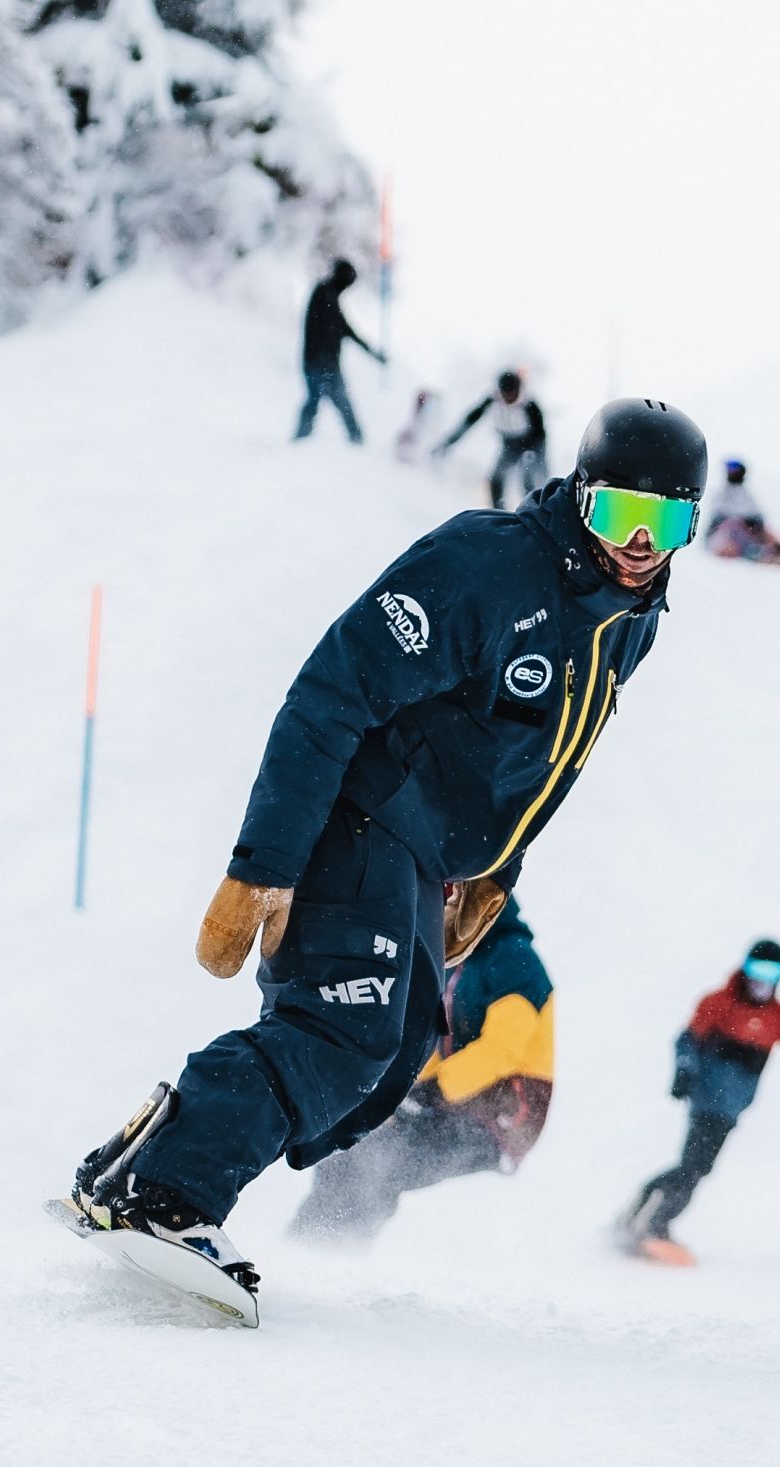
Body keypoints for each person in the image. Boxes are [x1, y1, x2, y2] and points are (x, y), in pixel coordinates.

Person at [67, 398, 711, 1300]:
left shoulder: (629, 620)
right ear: (580, 494)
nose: (640, 543)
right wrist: (265, 865)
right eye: (619, 514)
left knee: (395, 1050)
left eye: (665, 520)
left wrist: (494, 869)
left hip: (425, 858)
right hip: (356, 814)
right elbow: (333, 689)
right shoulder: (489, 565)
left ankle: (141, 1168)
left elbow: (548, 761)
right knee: (343, 1026)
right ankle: (162, 1191)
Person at [287, 895, 555, 1242]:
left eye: (456, 899)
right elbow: (437, 1044)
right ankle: (308, 1243)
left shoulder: (513, 958)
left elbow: (502, 1048)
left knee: (381, 1159)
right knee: (351, 1149)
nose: (445, 907)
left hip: (501, 1116)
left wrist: (435, 1091)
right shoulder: (461, 961)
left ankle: (330, 1248)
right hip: (455, 1106)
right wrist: (402, 1091)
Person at [619, 939, 780, 1264]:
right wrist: (684, 1072)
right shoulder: (720, 1002)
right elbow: (686, 1040)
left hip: (732, 1108)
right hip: (707, 1100)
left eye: (771, 972)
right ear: (745, 968)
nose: (762, 979)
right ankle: (651, 1223)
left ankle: (645, 1218)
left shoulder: (779, 1017)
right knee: (694, 1167)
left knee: (697, 1168)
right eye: (756, 969)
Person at [294, 259, 385, 444]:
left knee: (325, 403)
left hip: (322, 364)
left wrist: (374, 354)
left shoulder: (332, 300)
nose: (348, 286)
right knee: (327, 402)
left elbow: (350, 332)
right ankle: (303, 441)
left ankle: (354, 440)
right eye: (348, 280)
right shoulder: (323, 294)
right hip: (319, 364)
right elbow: (340, 330)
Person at [434, 370, 548, 509]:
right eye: (505, 393)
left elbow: (540, 433)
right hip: (509, 444)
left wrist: (535, 454)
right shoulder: (493, 400)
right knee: (496, 479)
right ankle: (499, 513)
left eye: (511, 393)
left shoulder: (529, 404)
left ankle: (534, 511)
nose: (507, 397)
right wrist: (447, 443)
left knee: (529, 479)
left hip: (530, 444)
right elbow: (470, 420)